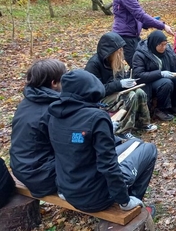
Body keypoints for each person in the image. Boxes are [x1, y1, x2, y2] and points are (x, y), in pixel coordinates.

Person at [47, 69, 157, 213]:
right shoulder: (96, 118)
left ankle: (125, 196)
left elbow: (75, 142)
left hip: (67, 189)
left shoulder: (54, 113)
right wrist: (124, 201)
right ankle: (132, 204)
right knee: (149, 149)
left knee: (137, 143)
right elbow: (108, 165)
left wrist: (107, 132)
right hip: (96, 196)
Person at [10, 59, 66, 197]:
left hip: (21, 168)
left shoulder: (27, 101)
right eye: (63, 79)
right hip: (42, 176)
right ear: (54, 83)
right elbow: (69, 143)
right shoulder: (52, 109)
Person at [85, 32, 157, 139]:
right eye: (118, 51)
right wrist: (120, 84)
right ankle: (123, 130)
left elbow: (120, 78)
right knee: (130, 96)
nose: (121, 53)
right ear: (109, 51)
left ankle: (142, 123)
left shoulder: (115, 60)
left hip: (116, 91)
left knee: (140, 92)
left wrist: (129, 81)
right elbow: (97, 90)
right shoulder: (94, 64)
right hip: (101, 98)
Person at [107, 0, 174, 67]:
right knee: (138, 65)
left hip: (132, 36)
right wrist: (162, 25)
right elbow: (140, 15)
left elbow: (133, 16)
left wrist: (147, 23)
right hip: (125, 37)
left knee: (142, 63)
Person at [133, 30, 176, 121]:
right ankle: (161, 109)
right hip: (149, 82)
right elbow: (139, 75)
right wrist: (160, 73)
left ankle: (174, 104)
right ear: (154, 44)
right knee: (166, 83)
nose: (164, 47)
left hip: (167, 76)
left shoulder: (168, 49)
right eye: (161, 45)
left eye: (165, 44)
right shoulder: (140, 54)